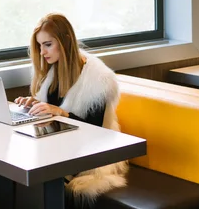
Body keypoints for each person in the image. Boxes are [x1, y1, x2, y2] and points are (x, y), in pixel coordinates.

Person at [14, 13, 128, 204]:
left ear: (66, 41)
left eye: (47, 44)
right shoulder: (53, 70)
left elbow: (95, 131)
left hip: (91, 154)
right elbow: (52, 108)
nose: (42, 52)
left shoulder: (98, 80)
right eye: (40, 46)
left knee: (40, 174)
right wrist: (34, 103)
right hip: (59, 147)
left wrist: (61, 112)